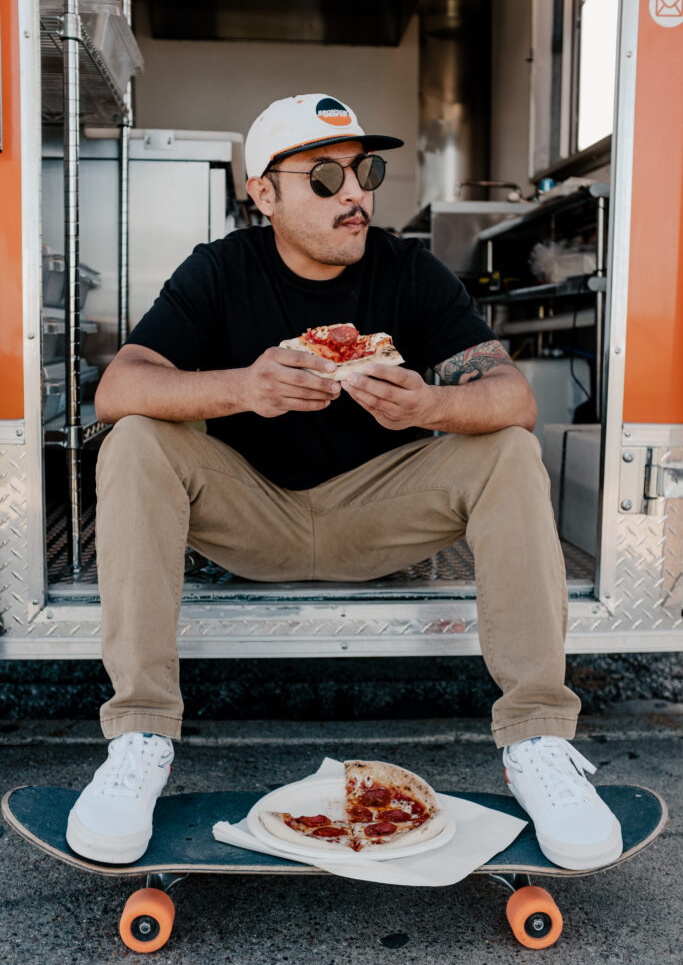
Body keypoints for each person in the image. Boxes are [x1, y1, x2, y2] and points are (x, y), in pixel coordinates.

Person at [65, 94, 622, 871]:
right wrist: (243, 389)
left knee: (507, 452)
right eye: (323, 176)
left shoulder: (408, 270)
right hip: (249, 514)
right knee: (133, 442)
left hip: (379, 516)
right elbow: (117, 388)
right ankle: (140, 738)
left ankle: (534, 743)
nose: (354, 192)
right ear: (264, 194)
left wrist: (429, 403)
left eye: (363, 170)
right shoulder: (220, 269)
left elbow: (513, 400)